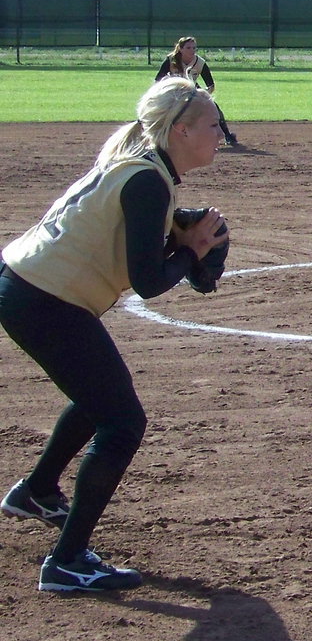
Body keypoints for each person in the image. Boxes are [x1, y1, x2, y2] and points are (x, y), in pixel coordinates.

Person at [0, 78, 230, 592]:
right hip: (44, 300)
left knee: (98, 397)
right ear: (182, 130)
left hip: (27, 287)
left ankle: (37, 492)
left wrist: (180, 240)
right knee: (122, 422)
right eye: (213, 125)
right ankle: (67, 563)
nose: (221, 134)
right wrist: (191, 251)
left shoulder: (145, 168)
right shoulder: (148, 181)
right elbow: (148, 282)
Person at [156, 36, 239, 147]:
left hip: (191, 90)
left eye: (194, 48)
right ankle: (152, 134)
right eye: (188, 48)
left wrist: (203, 96)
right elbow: (158, 80)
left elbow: (210, 85)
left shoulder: (200, 62)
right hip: (173, 90)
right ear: (181, 49)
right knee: (158, 109)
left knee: (214, 107)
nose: (192, 50)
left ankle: (227, 135)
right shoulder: (171, 60)